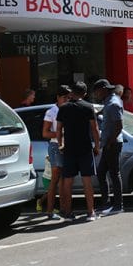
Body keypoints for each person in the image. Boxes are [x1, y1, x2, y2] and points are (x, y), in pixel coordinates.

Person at [56, 81, 100, 222]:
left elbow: (58, 129)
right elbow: (94, 128)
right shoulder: (88, 107)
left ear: (72, 92)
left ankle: (68, 212)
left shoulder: (63, 108)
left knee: (68, 181)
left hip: (69, 149)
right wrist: (97, 146)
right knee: (87, 180)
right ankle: (91, 212)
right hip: (85, 148)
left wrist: (60, 144)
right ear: (85, 94)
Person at [39, 84, 71, 219]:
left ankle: (64, 209)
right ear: (58, 97)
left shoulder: (69, 109)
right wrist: (61, 134)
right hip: (55, 146)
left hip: (67, 146)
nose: (67, 100)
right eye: (64, 97)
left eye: (69, 98)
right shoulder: (51, 112)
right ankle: (50, 211)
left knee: (65, 179)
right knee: (55, 179)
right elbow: (45, 133)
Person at [94, 78, 124, 216]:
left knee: (114, 174)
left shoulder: (113, 103)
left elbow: (119, 125)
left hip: (113, 143)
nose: (96, 94)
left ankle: (118, 205)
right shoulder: (109, 101)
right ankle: (106, 203)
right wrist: (97, 113)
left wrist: (110, 142)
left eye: (97, 92)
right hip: (109, 143)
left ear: (104, 90)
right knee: (101, 172)